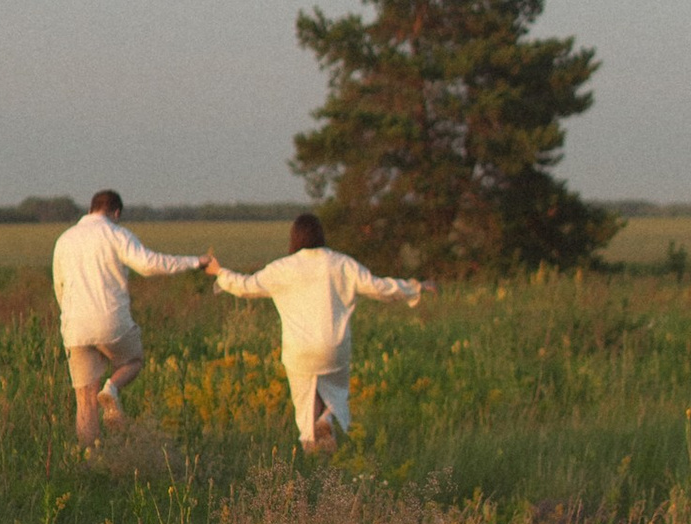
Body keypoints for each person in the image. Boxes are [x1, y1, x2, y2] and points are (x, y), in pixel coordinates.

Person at [213, 212, 426, 451]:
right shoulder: (341, 263)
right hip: (334, 348)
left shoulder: (282, 268)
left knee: (306, 402)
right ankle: (327, 420)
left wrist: (220, 273)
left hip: (299, 351)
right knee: (336, 393)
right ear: (321, 235)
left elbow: (245, 286)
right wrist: (415, 288)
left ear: (294, 237)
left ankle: (313, 450)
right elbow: (379, 287)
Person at [51, 190, 217, 448]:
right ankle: (112, 389)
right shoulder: (117, 234)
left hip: (74, 327)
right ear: (116, 212)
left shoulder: (64, 239)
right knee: (133, 360)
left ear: (91, 209)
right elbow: (150, 264)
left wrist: (70, 318)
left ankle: (90, 459)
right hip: (111, 321)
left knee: (84, 400)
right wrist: (196, 262)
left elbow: (59, 286)